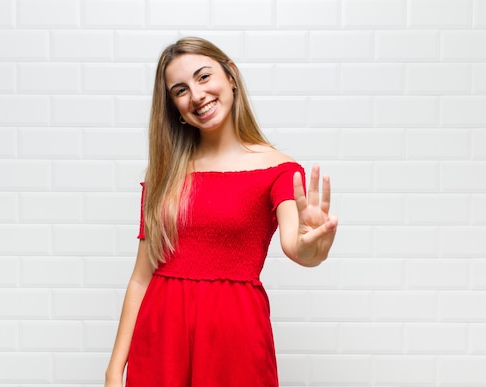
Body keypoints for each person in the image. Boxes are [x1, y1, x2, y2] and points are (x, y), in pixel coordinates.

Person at [104, 36, 338, 387]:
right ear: (173, 107)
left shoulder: (280, 170)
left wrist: (311, 248)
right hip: (161, 340)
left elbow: (296, 245)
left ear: (231, 76)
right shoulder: (164, 175)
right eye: (180, 90)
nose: (197, 96)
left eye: (203, 77)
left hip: (234, 339)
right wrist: (113, 370)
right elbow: (141, 277)